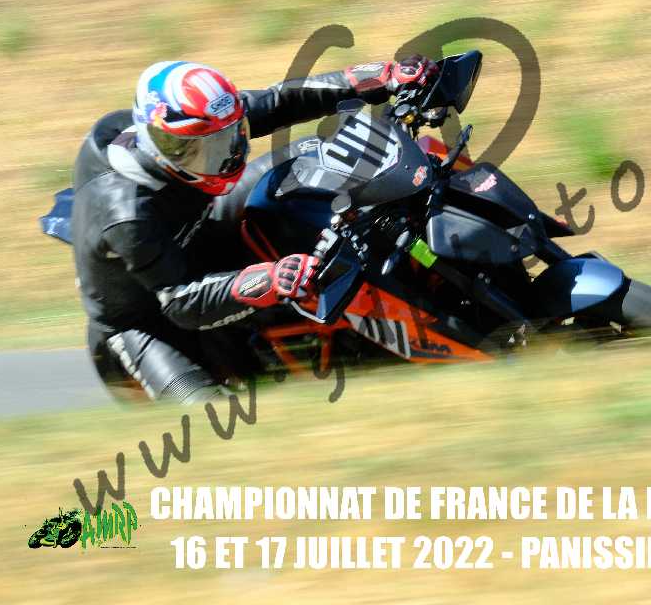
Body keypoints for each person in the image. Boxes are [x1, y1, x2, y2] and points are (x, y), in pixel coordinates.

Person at [71, 57, 438, 403]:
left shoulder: (190, 129)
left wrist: (381, 76)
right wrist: (271, 279)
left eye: (227, 139)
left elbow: (280, 101)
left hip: (200, 230)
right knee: (206, 416)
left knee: (312, 161)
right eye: (202, 149)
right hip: (147, 318)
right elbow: (181, 302)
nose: (223, 157)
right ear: (159, 145)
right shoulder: (127, 215)